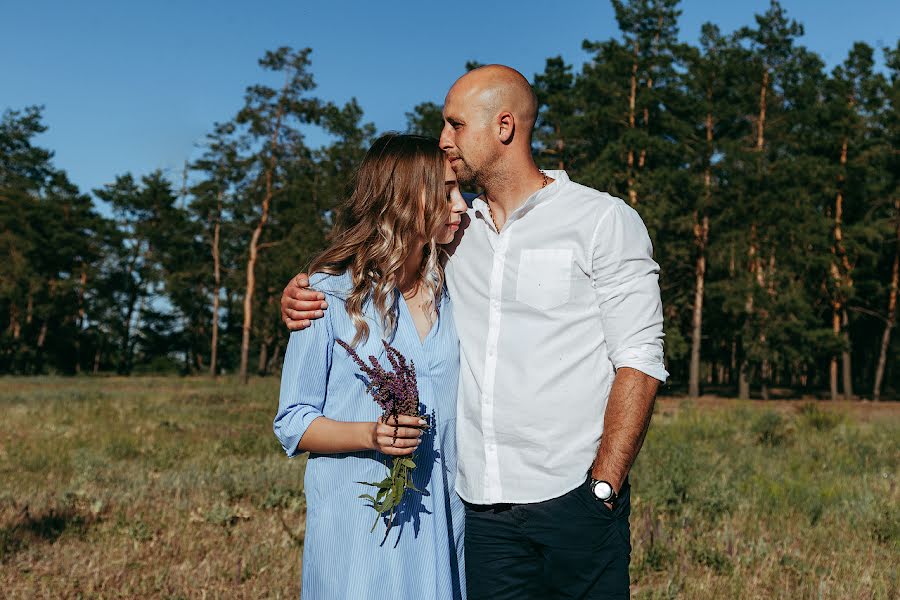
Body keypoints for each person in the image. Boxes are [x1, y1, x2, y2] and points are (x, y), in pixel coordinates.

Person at [281, 65, 668, 599]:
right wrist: (303, 289)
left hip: (574, 502)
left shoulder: (601, 221)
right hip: (479, 516)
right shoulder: (459, 237)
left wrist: (603, 485)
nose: (444, 140)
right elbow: (376, 259)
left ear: (504, 126)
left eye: (455, 124)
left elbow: (641, 359)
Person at [274, 133, 469, 599]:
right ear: (404, 197)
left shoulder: (459, 291)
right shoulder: (327, 296)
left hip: (441, 517)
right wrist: (370, 434)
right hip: (360, 523)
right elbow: (293, 422)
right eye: (446, 192)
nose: (462, 205)